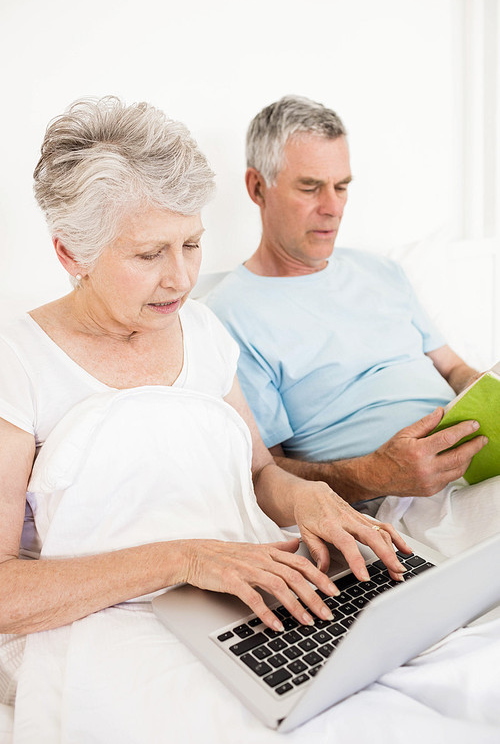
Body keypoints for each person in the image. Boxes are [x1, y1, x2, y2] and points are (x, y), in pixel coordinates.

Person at [0, 96, 411, 727]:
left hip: (244, 596)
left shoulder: (204, 328)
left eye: (191, 243)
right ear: (70, 255)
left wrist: (309, 502)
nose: (181, 278)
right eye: (148, 254)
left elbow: (258, 475)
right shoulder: (18, 363)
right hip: (105, 625)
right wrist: (186, 558)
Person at [205, 95, 499, 555]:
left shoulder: (381, 271)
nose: (333, 207)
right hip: (398, 504)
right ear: (257, 187)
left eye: (342, 186)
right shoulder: (228, 316)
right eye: (310, 187)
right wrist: (378, 473)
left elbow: (455, 371)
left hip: (475, 468)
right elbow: (269, 477)